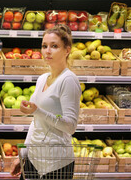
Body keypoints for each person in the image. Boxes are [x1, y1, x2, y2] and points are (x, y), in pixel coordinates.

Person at [10, 24, 81, 179]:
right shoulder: (42, 79)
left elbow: (70, 126)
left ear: (67, 50)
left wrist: (37, 111)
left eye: (54, 46)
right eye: (44, 46)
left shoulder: (69, 80)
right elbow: (36, 122)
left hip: (56, 164)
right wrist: (22, 154)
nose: (47, 51)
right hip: (34, 158)